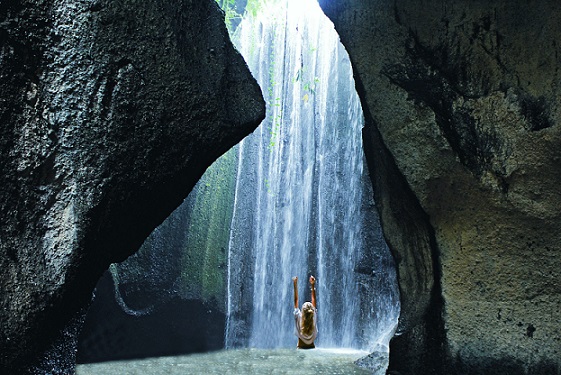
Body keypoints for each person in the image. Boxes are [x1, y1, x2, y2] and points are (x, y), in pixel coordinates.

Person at [292, 275, 318, 349]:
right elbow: (314, 301)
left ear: (302, 312)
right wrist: (312, 285)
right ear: (312, 311)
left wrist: (295, 284)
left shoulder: (298, 316)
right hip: (312, 348)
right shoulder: (313, 317)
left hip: (300, 348)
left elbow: (296, 300)